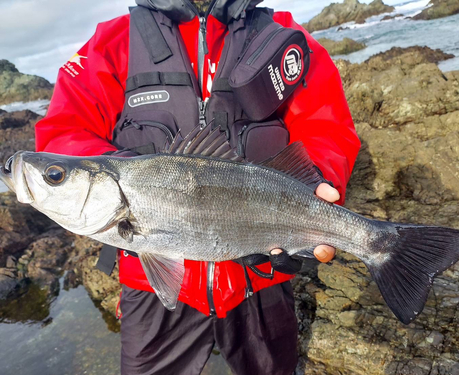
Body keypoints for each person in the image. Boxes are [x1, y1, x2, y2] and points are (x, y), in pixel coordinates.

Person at [35, 0, 360, 374]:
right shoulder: (114, 41)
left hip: (262, 268)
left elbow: (326, 126)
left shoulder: (281, 33)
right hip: (151, 277)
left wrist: (319, 182)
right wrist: (131, 182)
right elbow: (63, 131)